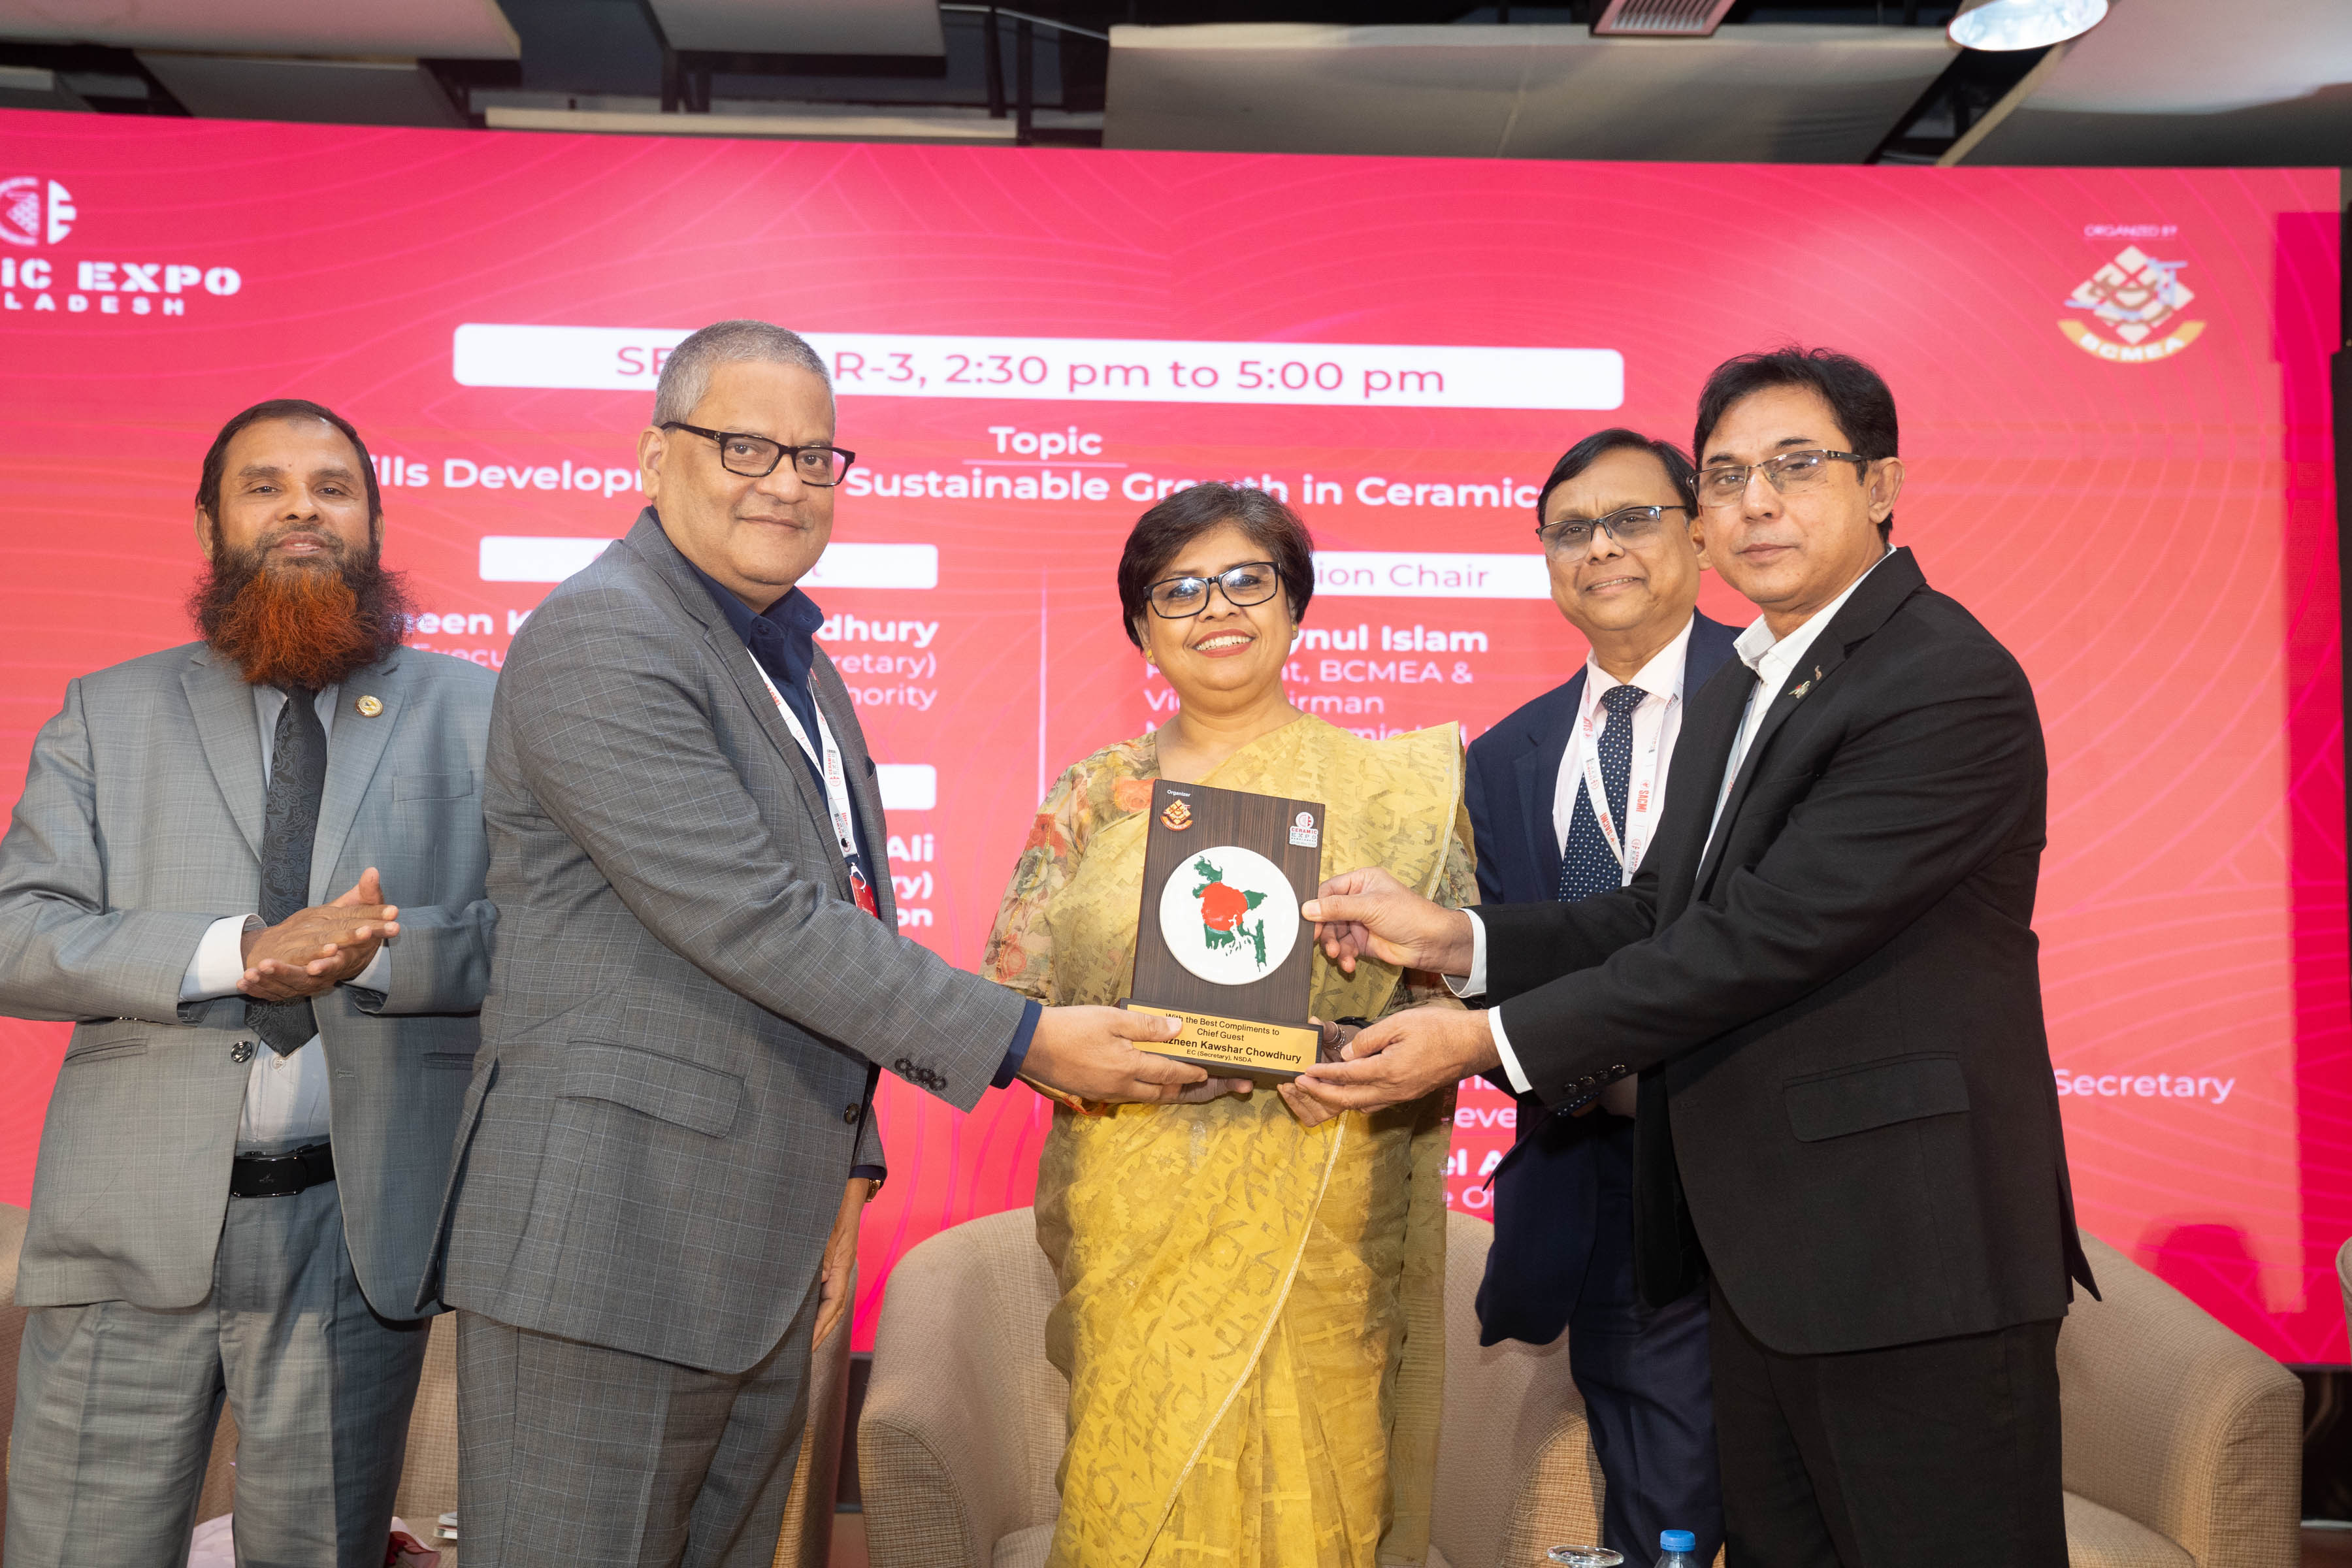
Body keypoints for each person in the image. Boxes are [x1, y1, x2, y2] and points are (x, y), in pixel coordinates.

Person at [1294, 348, 2096, 1567]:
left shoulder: (1942, 679)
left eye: (1795, 467)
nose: (1755, 503)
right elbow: (1659, 912)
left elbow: (1759, 941)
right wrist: (1459, 939)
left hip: (1910, 1260)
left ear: (1881, 485)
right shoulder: (1754, 685)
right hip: (1763, 1261)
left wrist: (1483, 1041)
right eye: (1727, 476)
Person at [431, 320, 1213, 1568]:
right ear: (654, 457)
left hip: (759, 1248)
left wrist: (850, 1166)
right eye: (745, 447)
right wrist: (1023, 1037)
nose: (785, 484)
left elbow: (843, 912)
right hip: (610, 1245)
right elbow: (749, 915)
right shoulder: (605, 636)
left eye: (813, 457)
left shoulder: (795, 660)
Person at [0, 399, 497, 1567]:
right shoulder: (108, 711)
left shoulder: (478, 710)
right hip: (128, 1234)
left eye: (333, 488)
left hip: (355, 1241)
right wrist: (237, 956)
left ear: (375, 524)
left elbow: (539, 935)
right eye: (264, 487)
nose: (300, 511)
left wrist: (385, 951)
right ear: (209, 525)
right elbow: (17, 932)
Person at [982, 482, 1472, 1568]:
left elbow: (1452, 1007)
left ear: (1295, 603)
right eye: (1180, 589)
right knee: (1135, 1505)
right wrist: (1111, 1055)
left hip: (1323, 1211)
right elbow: (1012, 1003)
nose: (1218, 608)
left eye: (1248, 579)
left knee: (1317, 1496)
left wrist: (1350, 1037)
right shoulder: (1094, 794)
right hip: (1135, 1212)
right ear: (1140, 630)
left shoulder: (1392, 792)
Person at [1464, 428, 1735, 1563]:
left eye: (1633, 519)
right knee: (1657, 1507)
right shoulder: (1505, 755)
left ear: (1701, 533)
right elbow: (1502, 956)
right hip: (1601, 1184)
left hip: (1762, 1177)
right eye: (1571, 530)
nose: (1602, 548)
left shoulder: (1781, 699)